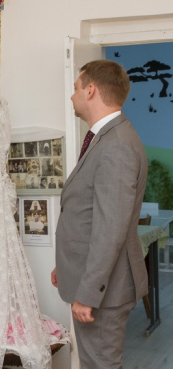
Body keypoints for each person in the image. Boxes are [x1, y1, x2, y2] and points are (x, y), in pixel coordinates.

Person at [51, 60, 148, 369]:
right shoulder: (106, 138)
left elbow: (110, 231)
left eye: (76, 88)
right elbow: (87, 215)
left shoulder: (116, 146)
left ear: (91, 90)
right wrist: (66, 267)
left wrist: (88, 293)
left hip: (105, 290)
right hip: (95, 279)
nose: (72, 96)